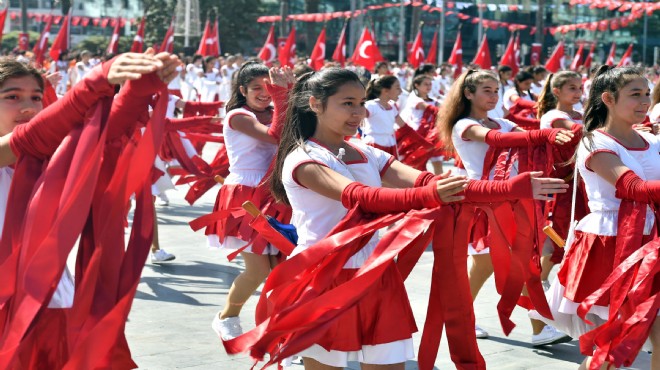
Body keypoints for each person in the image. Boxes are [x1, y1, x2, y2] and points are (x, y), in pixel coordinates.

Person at [222, 67, 568, 370]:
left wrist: (505, 189)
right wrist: (430, 196)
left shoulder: (365, 151)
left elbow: (427, 180)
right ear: (315, 104)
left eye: (360, 103)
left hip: (376, 275)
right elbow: (361, 198)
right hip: (324, 279)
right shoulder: (303, 159)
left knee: (389, 364)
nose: (358, 113)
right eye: (347, 104)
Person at [1, 50, 180, 369]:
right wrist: (93, 83)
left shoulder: (47, 157)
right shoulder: (19, 148)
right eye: (12, 96)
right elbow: (29, 138)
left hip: (55, 307)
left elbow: (102, 136)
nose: (28, 106)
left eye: (36, 96)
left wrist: (137, 91)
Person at [535, 66, 660, 370]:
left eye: (647, 93)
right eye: (635, 94)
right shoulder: (595, 143)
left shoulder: (653, 142)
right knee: (613, 341)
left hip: (651, 241)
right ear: (608, 98)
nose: (645, 101)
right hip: (613, 244)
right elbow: (633, 188)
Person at [438, 69, 574, 346]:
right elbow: (499, 140)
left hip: (511, 201)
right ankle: (458, 318)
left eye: (496, 90)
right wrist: (546, 134)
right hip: (483, 202)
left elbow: (527, 136)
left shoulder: (500, 121)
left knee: (520, 263)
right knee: (484, 265)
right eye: (486, 90)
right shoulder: (463, 125)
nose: (493, 95)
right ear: (468, 93)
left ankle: (539, 328)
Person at [206, 62, 293, 340]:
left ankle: (279, 331)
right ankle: (226, 316)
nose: (265, 93)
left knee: (282, 271)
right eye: (257, 88)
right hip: (245, 196)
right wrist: (282, 96)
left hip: (276, 193)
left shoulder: (274, 110)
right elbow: (276, 135)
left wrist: (291, 91)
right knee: (257, 271)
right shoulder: (237, 116)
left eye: (269, 87)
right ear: (242, 90)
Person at [536, 71, 585, 286]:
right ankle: (540, 279)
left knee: (579, 231)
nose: (578, 92)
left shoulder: (581, 113)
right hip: (562, 184)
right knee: (560, 231)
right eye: (572, 88)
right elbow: (579, 131)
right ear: (557, 91)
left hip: (582, 183)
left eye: (580, 87)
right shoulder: (552, 116)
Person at [399, 74, 443, 174]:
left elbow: (441, 107)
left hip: (433, 136)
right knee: (417, 165)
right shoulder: (414, 99)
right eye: (425, 84)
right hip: (418, 136)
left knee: (437, 162)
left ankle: (439, 186)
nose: (428, 86)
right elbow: (431, 109)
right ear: (417, 85)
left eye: (430, 84)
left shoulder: (433, 100)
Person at [362, 75, 406, 157]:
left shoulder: (392, 106)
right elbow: (354, 119)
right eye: (397, 88)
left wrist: (424, 143)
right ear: (386, 91)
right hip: (374, 146)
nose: (401, 91)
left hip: (390, 145)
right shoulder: (371, 106)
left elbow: (405, 129)